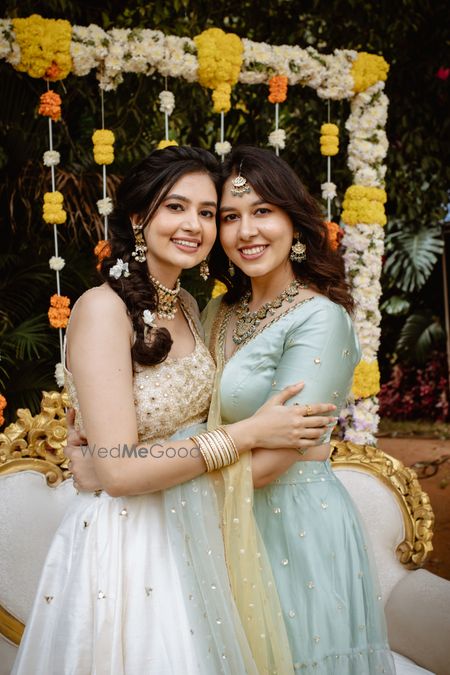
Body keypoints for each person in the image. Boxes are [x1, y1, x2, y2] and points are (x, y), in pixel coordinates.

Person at [13, 146, 335, 675]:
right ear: (139, 218)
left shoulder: (187, 305)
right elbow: (118, 471)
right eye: (176, 207)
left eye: (207, 213)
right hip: (127, 541)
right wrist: (249, 434)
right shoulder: (102, 309)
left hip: (189, 526)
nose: (195, 225)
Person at [202, 145, 396, 674]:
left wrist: (162, 487)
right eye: (229, 217)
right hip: (220, 519)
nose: (247, 232)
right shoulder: (218, 310)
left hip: (294, 527)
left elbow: (273, 458)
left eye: (262, 211)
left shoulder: (320, 319)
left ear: (293, 219)